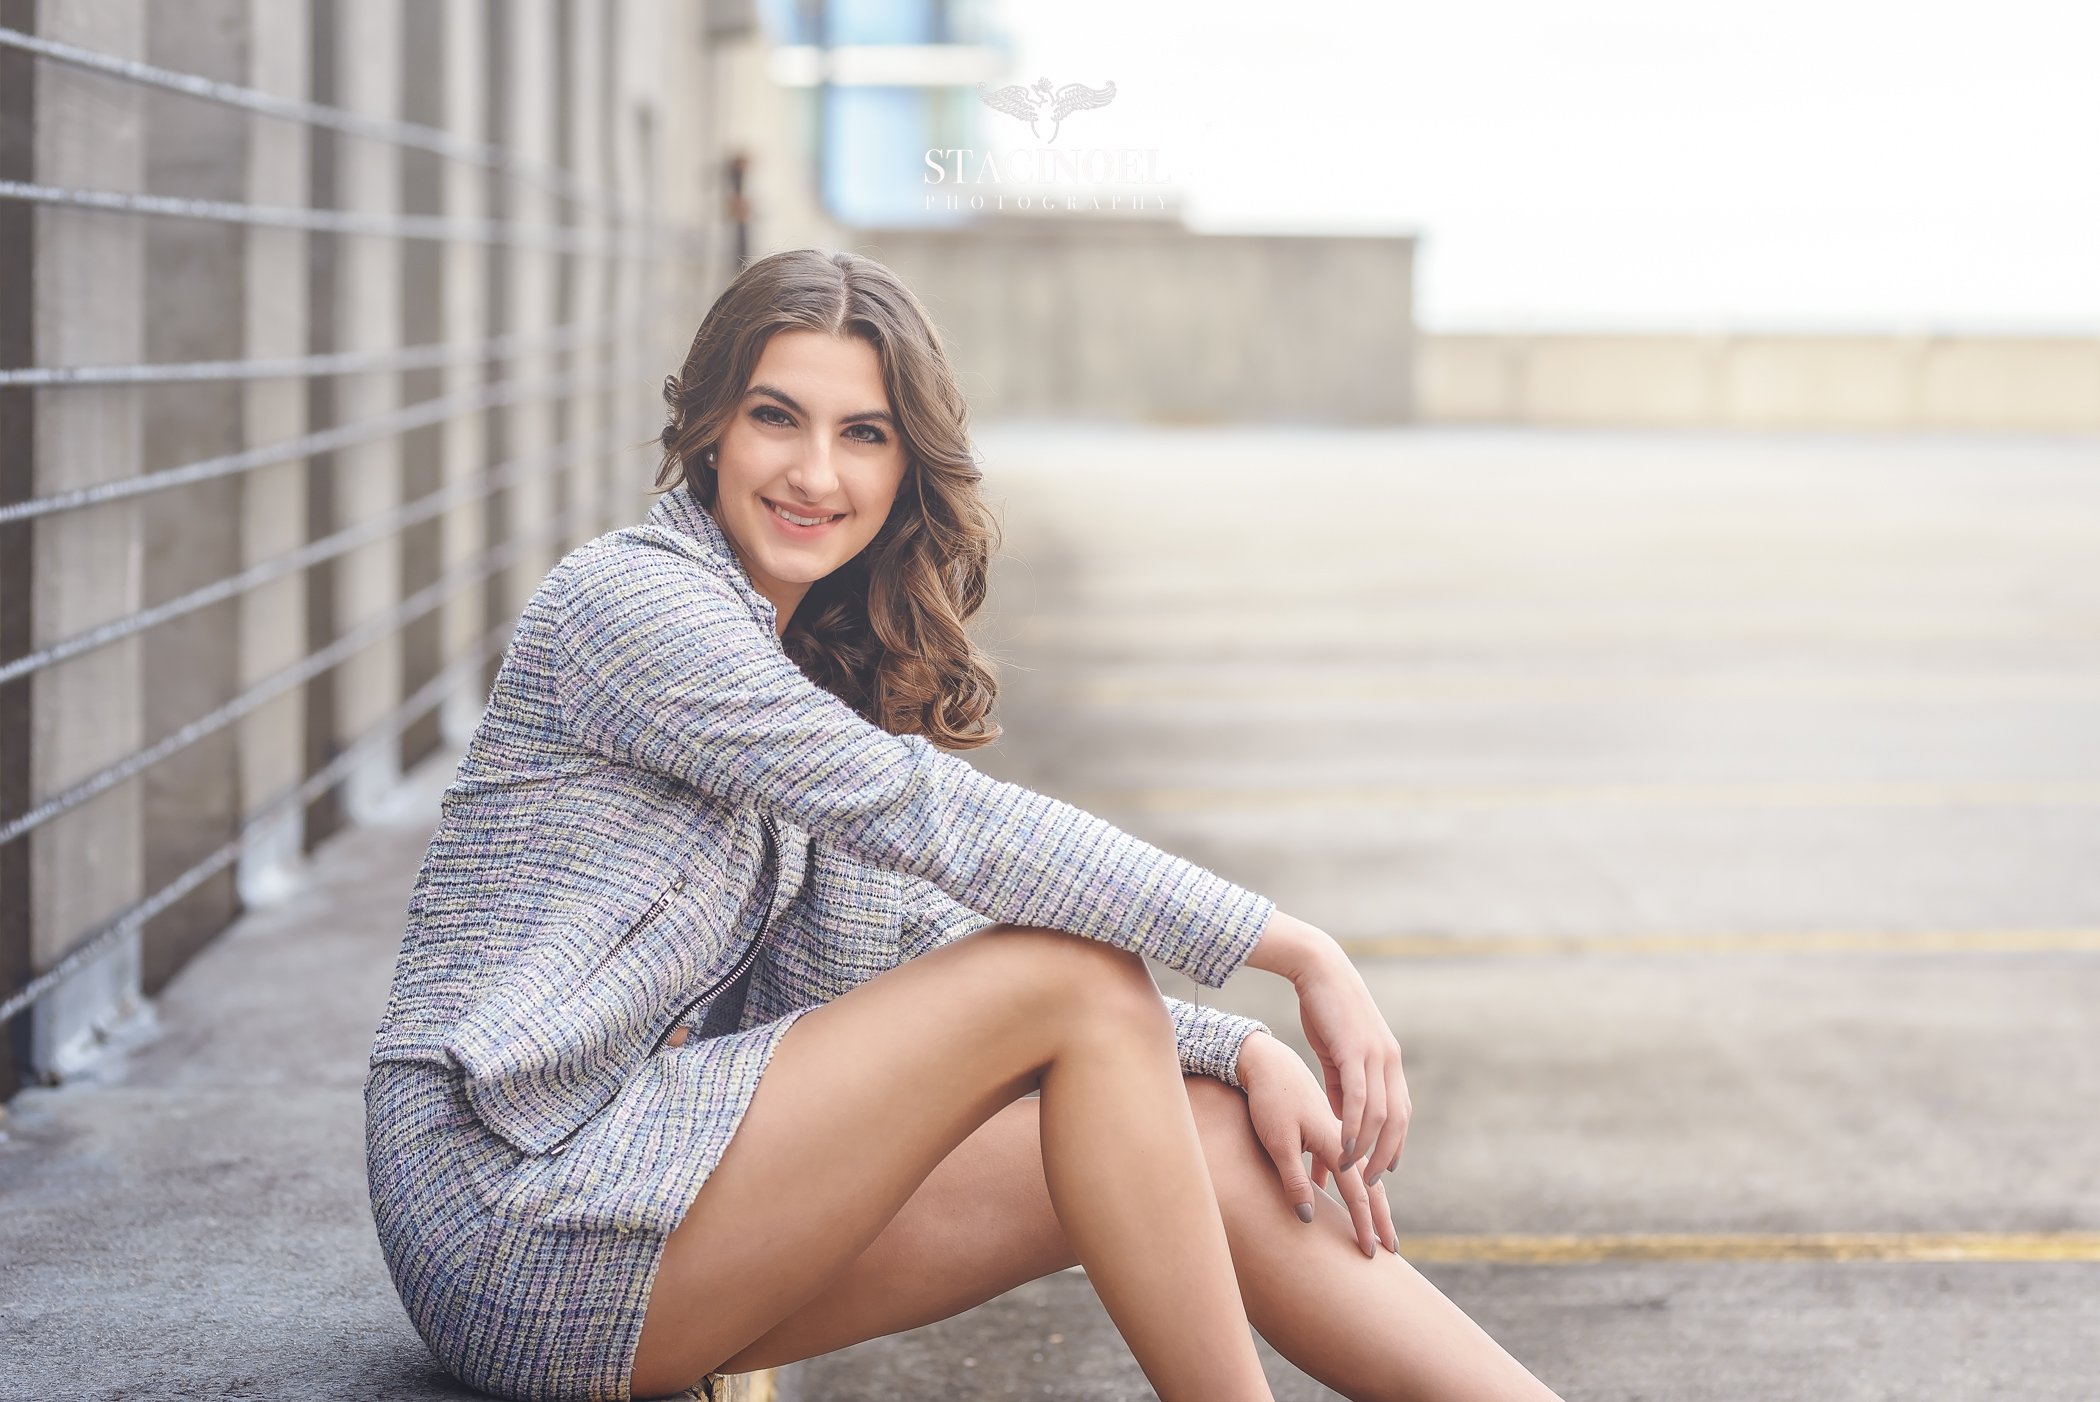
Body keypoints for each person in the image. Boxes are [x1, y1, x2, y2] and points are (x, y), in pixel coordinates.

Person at [363, 247, 1563, 1402]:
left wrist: (1232, 1048)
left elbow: (912, 952)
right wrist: (1297, 950)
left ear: (906, 467)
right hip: (512, 1215)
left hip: (654, 1201)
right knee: (1074, 975)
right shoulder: (629, 604)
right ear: (711, 427)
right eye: (778, 417)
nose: (816, 473)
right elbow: (943, 826)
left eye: (864, 434)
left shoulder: (798, 663)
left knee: (1212, 1129)